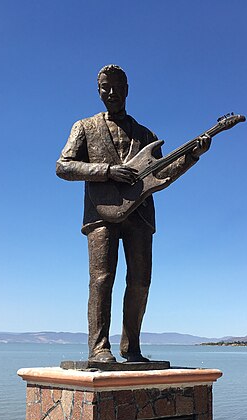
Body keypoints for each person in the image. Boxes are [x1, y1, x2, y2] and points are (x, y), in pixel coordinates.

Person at [56, 65, 210, 363]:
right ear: (98, 91)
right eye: (105, 87)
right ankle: (99, 347)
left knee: (140, 280)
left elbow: (161, 175)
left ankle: (132, 347)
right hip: (101, 212)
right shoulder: (84, 127)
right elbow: (63, 166)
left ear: (127, 89)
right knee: (102, 279)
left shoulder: (146, 134)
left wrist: (192, 156)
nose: (111, 93)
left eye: (117, 87)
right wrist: (107, 171)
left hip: (140, 215)